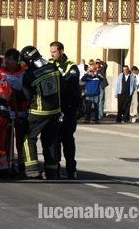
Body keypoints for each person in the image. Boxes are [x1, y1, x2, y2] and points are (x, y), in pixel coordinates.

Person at [20, 45, 61, 179]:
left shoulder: (29, 74)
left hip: (38, 112)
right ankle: (52, 170)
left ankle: (32, 170)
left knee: (28, 139)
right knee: (50, 141)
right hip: (55, 111)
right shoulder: (53, 68)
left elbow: (26, 95)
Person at [48, 41, 81, 179]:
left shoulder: (71, 66)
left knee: (67, 139)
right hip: (55, 108)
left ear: (61, 51)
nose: (52, 54)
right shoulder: (50, 64)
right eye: (51, 52)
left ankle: (71, 168)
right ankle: (55, 168)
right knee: (54, 139)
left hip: (68, 108)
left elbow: (70, 82)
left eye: (54, 52)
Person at [0, 48, 30, 177]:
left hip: (21, 110)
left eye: (11, 60)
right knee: (5, 138)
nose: (8, 62)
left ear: (16, 60)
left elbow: (27, 91)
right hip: (6, 109)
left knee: (21, 139)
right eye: (6, 59)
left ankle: (21, 163)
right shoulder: (1, 72)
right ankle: (6, 163)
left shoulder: (24, 73)